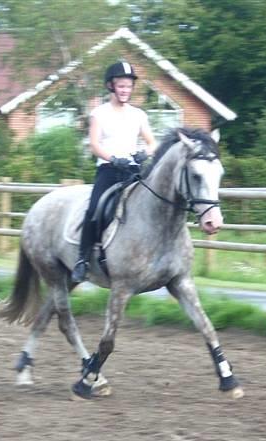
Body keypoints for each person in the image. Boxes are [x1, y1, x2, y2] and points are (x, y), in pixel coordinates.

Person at [71, 61, 157, 283]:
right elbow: (94, 145)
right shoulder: (99, 113)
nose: (125, 90)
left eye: (128, 86)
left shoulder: (139, 115)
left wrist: (144, 154)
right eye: (121, 86)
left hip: (133, 171)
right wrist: (112, 158)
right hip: (109, 170)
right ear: (111, 86)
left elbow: (151, 142)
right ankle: (82, 259)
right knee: (93, 209)